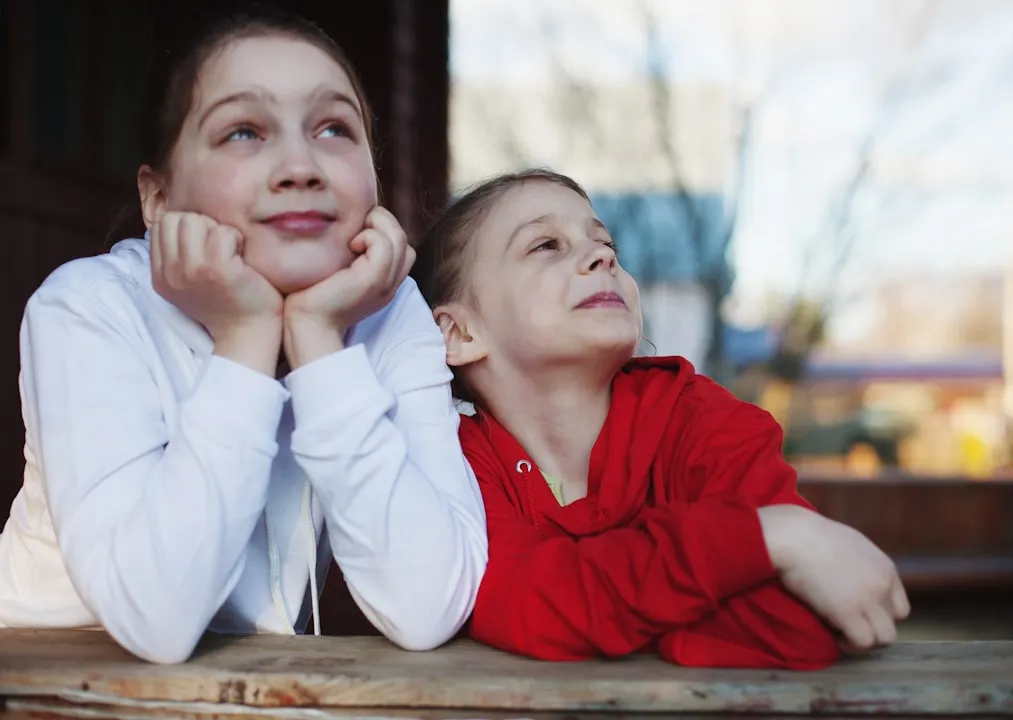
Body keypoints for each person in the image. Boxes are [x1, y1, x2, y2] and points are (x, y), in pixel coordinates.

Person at [0, 9, 487, 664]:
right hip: (47, 689)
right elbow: (156, 622)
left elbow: (428, 606)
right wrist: (246, 336)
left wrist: (318, 339)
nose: (299, 166)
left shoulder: (385, 309)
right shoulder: (88, 308)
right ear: (159, 199)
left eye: (334, 128)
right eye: (244, 132)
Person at [411, 169, 909, 669]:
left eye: (605, 243)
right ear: (457, 333)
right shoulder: (456, 468)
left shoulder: (706, 423)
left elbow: (802, 624)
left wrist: (604, 618)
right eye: (546, 245)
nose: (603, 256)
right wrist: (769, 537)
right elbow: (513, 602)